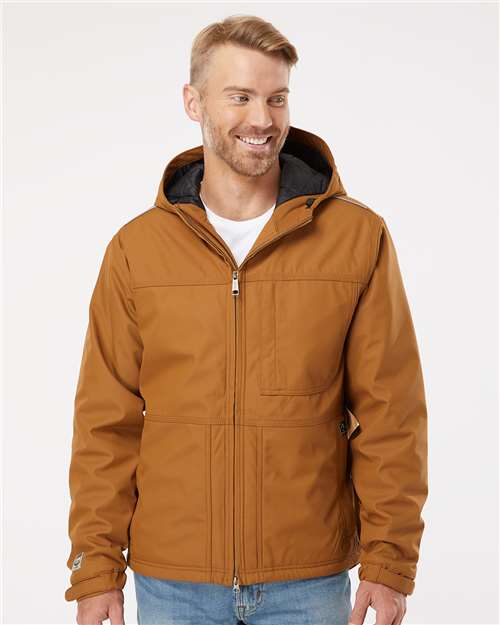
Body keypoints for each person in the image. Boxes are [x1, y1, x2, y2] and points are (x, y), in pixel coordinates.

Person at [64, 14, 428, 625]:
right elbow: (105, 422)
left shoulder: (356, 238)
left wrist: (389, 563)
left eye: (276, 98)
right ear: (193, 102)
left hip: (307, 580)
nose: (262, 119)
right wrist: (96, 569)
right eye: (240, 97)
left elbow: (392, 412)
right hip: (173, 583)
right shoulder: (136, 251)